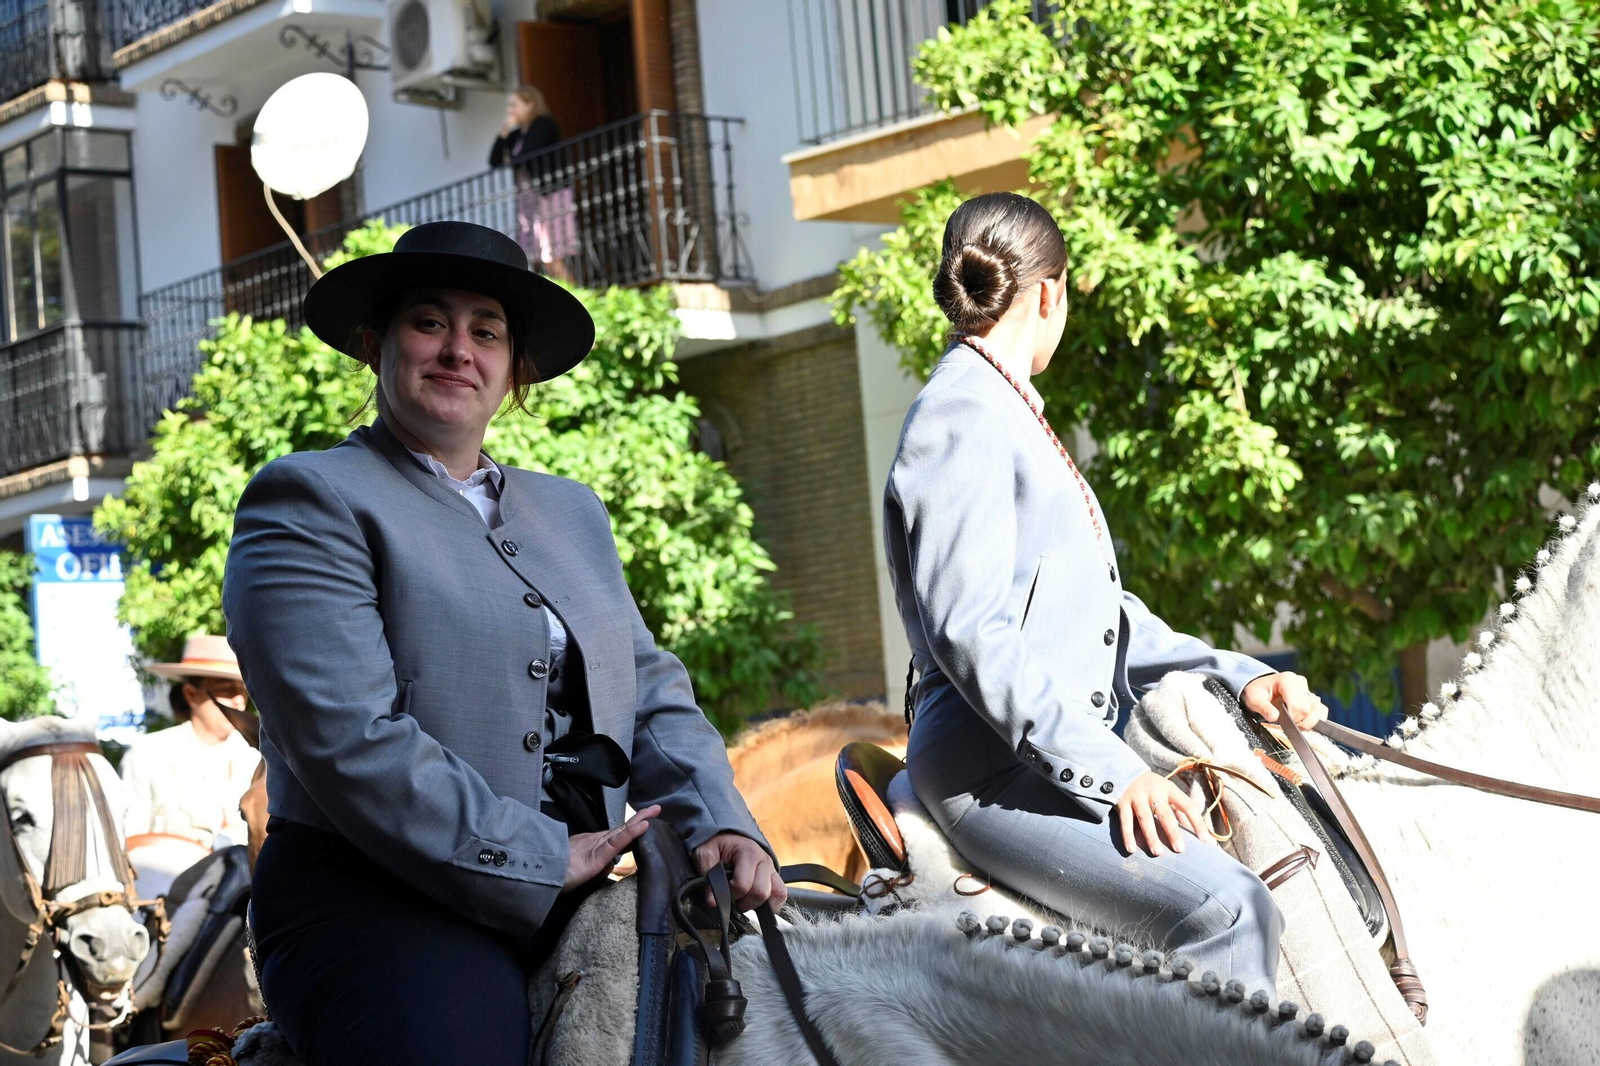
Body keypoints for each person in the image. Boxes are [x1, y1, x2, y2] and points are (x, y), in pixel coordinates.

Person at [221, 221, 782, 1066]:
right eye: (429, 323)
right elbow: (346, 738)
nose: (458, 350)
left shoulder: (571, 510)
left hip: (584, 881)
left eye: (486, 331)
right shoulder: (309, 498)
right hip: (375, 901)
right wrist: (538, 854)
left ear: (514, 370)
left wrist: (722, 822)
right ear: (377, 345)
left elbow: (648, 685)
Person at [883, 192, 1329, 996]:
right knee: (1230, 912)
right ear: (1050, 293)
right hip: (993, 770)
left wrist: (1240, 674)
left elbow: (1104, 619)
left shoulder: (1007, 406)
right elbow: (971, 633)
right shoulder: (961, 411)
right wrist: (1116, 775)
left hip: (1049, 755)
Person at [123, 634, 261, 853]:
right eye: (226, 690)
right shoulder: (148, 754)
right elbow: (130, 842)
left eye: (242, 691)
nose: (238, 700)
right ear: (191, 695)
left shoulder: (259, 757)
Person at [489, 86, 576, 278]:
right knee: (536, 256)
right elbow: (494, 161)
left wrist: (512, 158)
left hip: (549, 194)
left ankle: (574, 295)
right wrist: (503, 132)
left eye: (514, 105)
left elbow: (526, 155)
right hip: (529, 199)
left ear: (531, 105)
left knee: (551, 253)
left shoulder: (544, 124)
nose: (510, 110)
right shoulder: (514, 136)